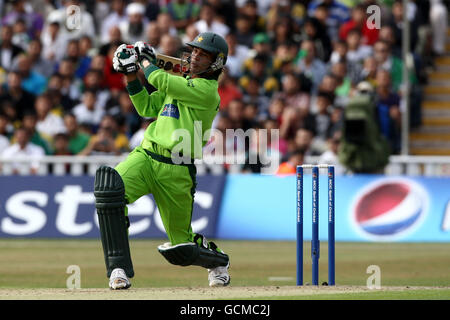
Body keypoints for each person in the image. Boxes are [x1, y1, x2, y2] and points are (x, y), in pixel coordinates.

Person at [96, 32, 230, 290]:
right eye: (194, 52)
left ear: (216, 63)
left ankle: (219, 261)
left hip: (177, 170)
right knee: (109, 191)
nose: (194, 57)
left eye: (203, 55)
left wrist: (146, 61)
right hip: (146, 155)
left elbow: (161, 80)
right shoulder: (181, 83)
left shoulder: (206, 91)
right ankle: (118, 269)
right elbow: (146, 107)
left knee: (182, 249)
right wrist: (130, 74)